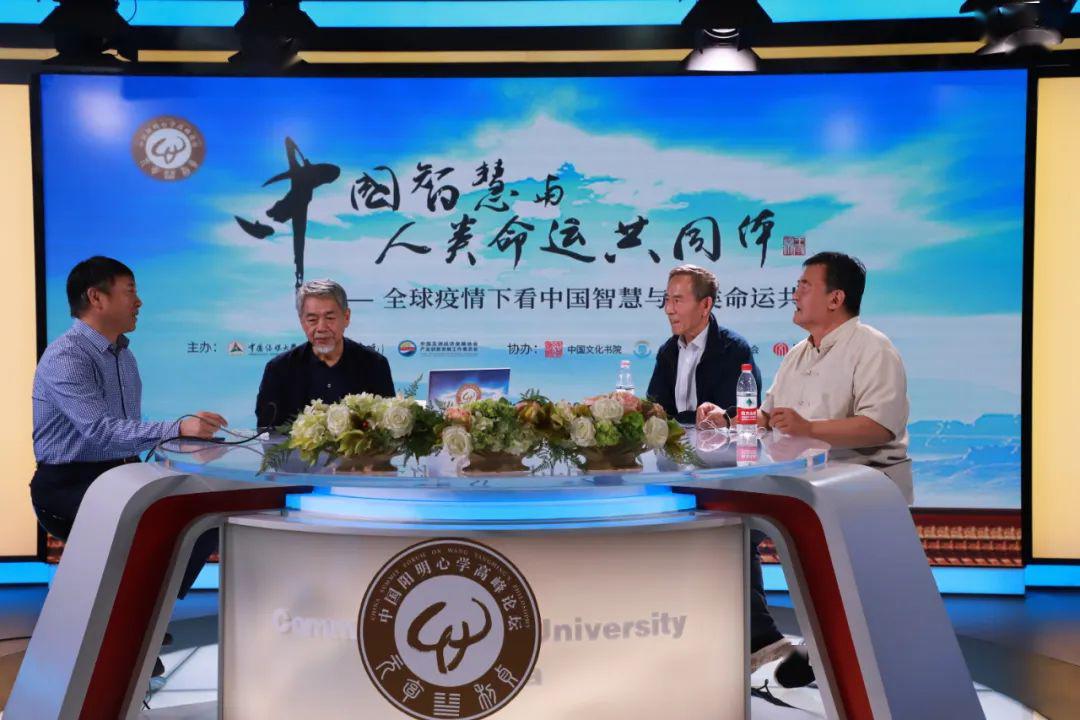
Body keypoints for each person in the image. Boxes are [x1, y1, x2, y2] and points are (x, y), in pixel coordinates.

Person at [700, 251, 912, 688]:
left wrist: (810, 428)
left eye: (804, 286)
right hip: (801, 483)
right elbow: (769, 416)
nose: (794, 293)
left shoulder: (873, 349)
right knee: (727, 529)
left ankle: (835, 656)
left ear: (836, 298)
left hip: (859, 485)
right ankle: (763, 640)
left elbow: (879, 426)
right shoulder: (798, 354)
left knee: (855, 591)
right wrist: (726, 418)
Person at [31, 256, 227, 676]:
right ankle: (122, 636)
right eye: (130, 292)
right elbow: (99, 432)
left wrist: (187, 438)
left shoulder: (123, 354)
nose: (139, 302)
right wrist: (178, 427)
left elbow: (127, 433)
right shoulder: (67, 356)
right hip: (68, 485)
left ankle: (143, 620)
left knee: (204, 515)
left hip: (121, 474)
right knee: (148, 526)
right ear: (96, 298)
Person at [255, 279, 394, 428]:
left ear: (346, 317)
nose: (321, 328)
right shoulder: (279, 369)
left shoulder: (374, 365)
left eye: (330, 318)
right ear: (302, 321)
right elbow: (267, 431)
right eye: (312, 319)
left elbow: (386, 430)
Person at [646, 264, 761, 425]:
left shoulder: (734, 350)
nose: (668, 309)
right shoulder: (668, 351)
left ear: (705, 305)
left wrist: (683, 419)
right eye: (667, 300)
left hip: (723, 442)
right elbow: (657, 413)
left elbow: (731, 416)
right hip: (677, 442)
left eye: (677, 300)